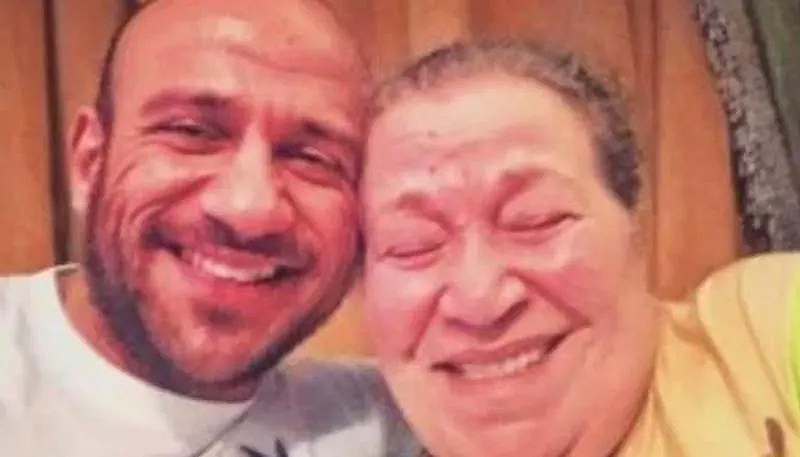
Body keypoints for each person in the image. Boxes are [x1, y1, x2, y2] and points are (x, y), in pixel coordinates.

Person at [0, 0, 418, 456]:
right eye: (192, 131)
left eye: (311, 158)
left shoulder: (401, 419)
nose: (250, 210)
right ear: (89, 162)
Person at [360, 39, 800, 457]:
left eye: (535, 220)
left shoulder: (757, 337)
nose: (479, 298)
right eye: (412, 245)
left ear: (636, 226)